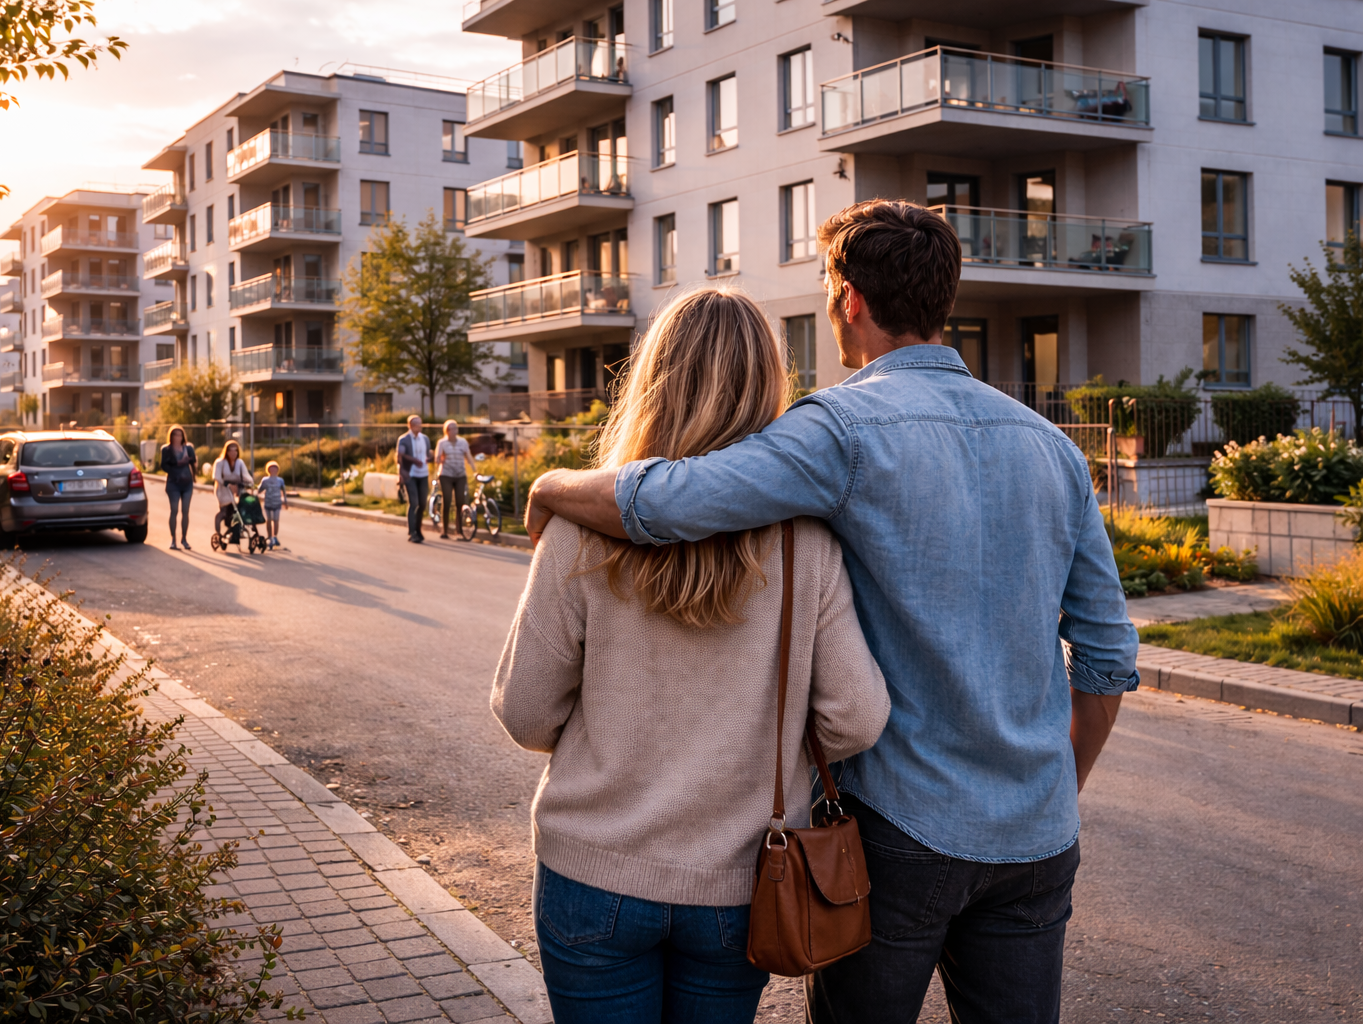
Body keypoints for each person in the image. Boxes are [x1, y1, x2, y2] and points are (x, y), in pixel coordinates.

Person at [522, 199, 1139, 1024]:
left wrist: (554, 486)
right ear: (943, 298)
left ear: (848, 297)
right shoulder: (1052, 446)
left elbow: (675, 499)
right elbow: (1106, 654)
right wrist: (1057, 786)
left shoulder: (840, 431)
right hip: (1037, 834)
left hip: (902, 830)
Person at [492, 287, 890, 1024]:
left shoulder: (579, 531)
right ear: (769, 387)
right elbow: (859, 718)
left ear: (652, 380)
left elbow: (524, 712)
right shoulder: (808, 545)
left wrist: (609, 737)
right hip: (739, 883)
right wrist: (765, 745)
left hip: (592, 870)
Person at [157, 425, 196, 551]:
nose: (177, 437)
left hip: (187, 483)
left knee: (185, 511)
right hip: (173, 483)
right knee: (174, 510)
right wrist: (175, 471)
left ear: (183, 436)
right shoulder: (166, 449)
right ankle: (173, 540)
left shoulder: (188, 448)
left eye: (180, 434)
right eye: (175, 434)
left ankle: (184, 539)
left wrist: (194, 476)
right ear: (171, 436)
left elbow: (193, 463)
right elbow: (163, 465)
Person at [435, 419, 473, 541]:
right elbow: (437, 458)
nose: (455, 431)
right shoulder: (442, 443)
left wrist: (475, 470)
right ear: (447, 431)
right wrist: (440, 457)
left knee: (460, 502)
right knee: (447, 500)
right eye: (452, 428)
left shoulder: (463, 442)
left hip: (460, 474)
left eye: (456, 428)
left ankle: (459, 530)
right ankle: (445, 530)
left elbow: (469, 457)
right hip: (446, 474)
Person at [396, 415, 431, 543]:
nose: (419, 426)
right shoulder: (404, 439)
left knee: (422, 504)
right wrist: (401, 472)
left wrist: (430, 458)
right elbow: (400, 456)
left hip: (423, 474)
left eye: (420, 423)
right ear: (410, 425)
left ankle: (418, 529)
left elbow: (427, 454)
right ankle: (412, 532)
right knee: (414, 503)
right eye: (416, 424)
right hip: (409, 474)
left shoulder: (425, 439)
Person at [212, 439, 254, 538]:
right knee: (225, 511)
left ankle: (236, 529)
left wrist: (250, 482)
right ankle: (220, 528)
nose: (233, 453)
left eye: (235, 450)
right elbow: (216, 477)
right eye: (230, 450)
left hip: (237, 489)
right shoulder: (220, 462)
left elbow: (245, 475)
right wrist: (227, 484)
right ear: (226, 451)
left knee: (238, 509)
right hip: (223, 489)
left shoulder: (239, 463)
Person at [258, 460, 289, 549]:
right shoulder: (265, 480)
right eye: (271, 468)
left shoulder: (280, 480)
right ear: (268, 470)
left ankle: (275, 536)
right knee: (269, 519)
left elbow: (284, 491)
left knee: (276, 520)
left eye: (275, 468)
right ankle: (269, 536)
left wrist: (285, 502)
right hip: (268, 502)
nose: (273, 470)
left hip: (277, 502)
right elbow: (260, 489)